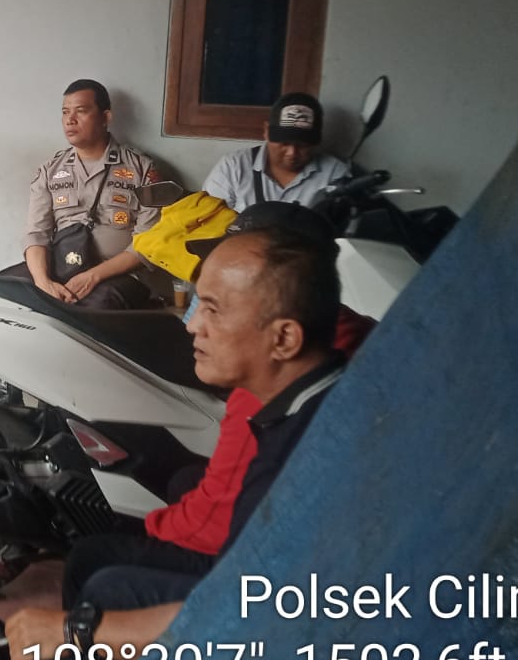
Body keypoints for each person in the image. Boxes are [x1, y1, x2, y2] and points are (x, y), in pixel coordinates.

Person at [0, 219, 347, 660]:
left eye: (214, 309)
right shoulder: (305, 399)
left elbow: (249, 624)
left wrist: (76, 630)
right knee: (107, 579)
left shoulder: (314, 451)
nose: (192, 324)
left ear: (283, 338)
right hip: (256, 614)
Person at [58, 202, 368, 604]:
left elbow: (236, 565)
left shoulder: (278, 405)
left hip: (251, 578)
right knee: (184, 480)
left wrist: (150, 533)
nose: (192, 324)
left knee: (96, 566)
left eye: (215, 307)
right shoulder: (347, 346)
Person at [13, 79, 161, 310]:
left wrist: (93, 276)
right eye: (65, 112)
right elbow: (36, 234)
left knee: (84, 314)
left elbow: (149, 242)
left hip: (117, 276)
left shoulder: (142, 169)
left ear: (105, 117)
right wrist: (43, 283)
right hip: (60, 267)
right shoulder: (50, 170)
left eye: (80, 111)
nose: (70, 120)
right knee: (1, 293)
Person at [201, 91, 352, 211]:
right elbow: (208, 221)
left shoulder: (335, 174)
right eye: (284, 143)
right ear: (266, 131)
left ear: (315, 143)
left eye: (302, 145)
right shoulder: (233, 167)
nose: (292, 153)